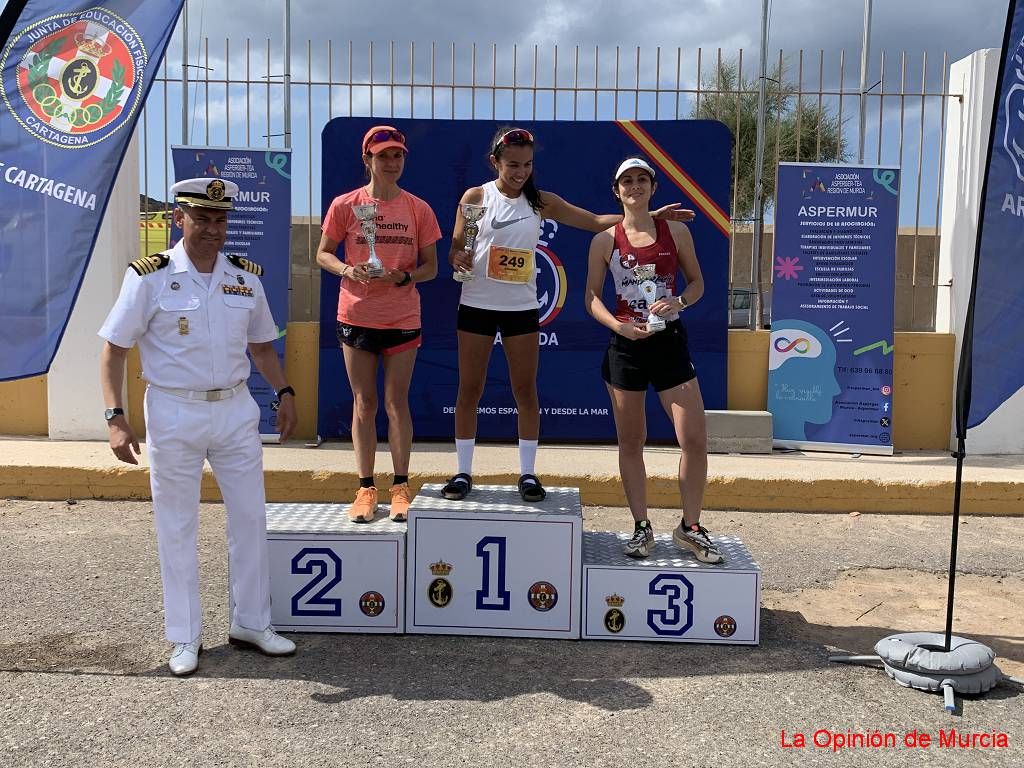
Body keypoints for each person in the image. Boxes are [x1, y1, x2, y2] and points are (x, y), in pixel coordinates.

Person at [99, 177, 299, 677]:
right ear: (178, 218)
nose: (213, 229)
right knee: (177, 524)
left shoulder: (245, 278)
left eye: (220, 219)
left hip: (234, 410)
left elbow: (260, 346)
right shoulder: (150, 276)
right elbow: (115, 348)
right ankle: (185, 636)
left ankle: (251, 622)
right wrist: (115, 418)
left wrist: (285, 391)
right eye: (202, 219)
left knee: (251, 518)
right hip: (173, 410)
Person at [443, 127, 694, 504]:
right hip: (477, 303)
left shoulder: (541, 201)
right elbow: (456, 248)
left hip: (522, 310)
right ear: (495, 161)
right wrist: (458, 256)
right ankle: (463, 471)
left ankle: (527, 473)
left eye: (527, 165)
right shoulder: (476, 196)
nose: (520, 172)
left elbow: (594, 222)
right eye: (512, 165)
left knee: (525, 391)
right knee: (470, 389)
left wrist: (647, 214)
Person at [584, 156, 723, 564]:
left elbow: (697, 283)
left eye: (642, 179)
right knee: (631, 441)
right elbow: (591, 297)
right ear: (617, 191)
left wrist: (678, 301)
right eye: (627, 181)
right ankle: (641, 526)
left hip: (669, 342)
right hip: (626, 346)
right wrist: (619, 326)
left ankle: (690, 527)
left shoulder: (675, 232)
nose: (634, 186)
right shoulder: (604, 240)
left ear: (652, 187)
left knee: (694, 440)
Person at [316, 125, 441, 522]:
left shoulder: (418, 208)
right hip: (356, 315)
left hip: (402, 316)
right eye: (383, 155)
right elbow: (322, 255)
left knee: (395, 402)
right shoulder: (345, 205)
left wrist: (405, 277)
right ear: (367, 159)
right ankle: (366, 488)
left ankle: (401, 486)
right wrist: (349, 271)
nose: (391, 163)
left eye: (398, 156)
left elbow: (431, 268)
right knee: (364, 403)